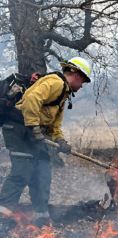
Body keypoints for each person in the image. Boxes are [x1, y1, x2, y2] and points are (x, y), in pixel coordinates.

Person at [0, 57, 92, 226]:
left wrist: (60, 140)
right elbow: (31, 98)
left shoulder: (63, 95)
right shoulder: (55, 82)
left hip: (32, 133)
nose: (82, 85)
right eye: (83, 81)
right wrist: (34, 127)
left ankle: (41, 217)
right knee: (23, 170)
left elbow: (54, 125)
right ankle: (2, 216)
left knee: (43, 172)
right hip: (18, 129)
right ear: (76, 75)